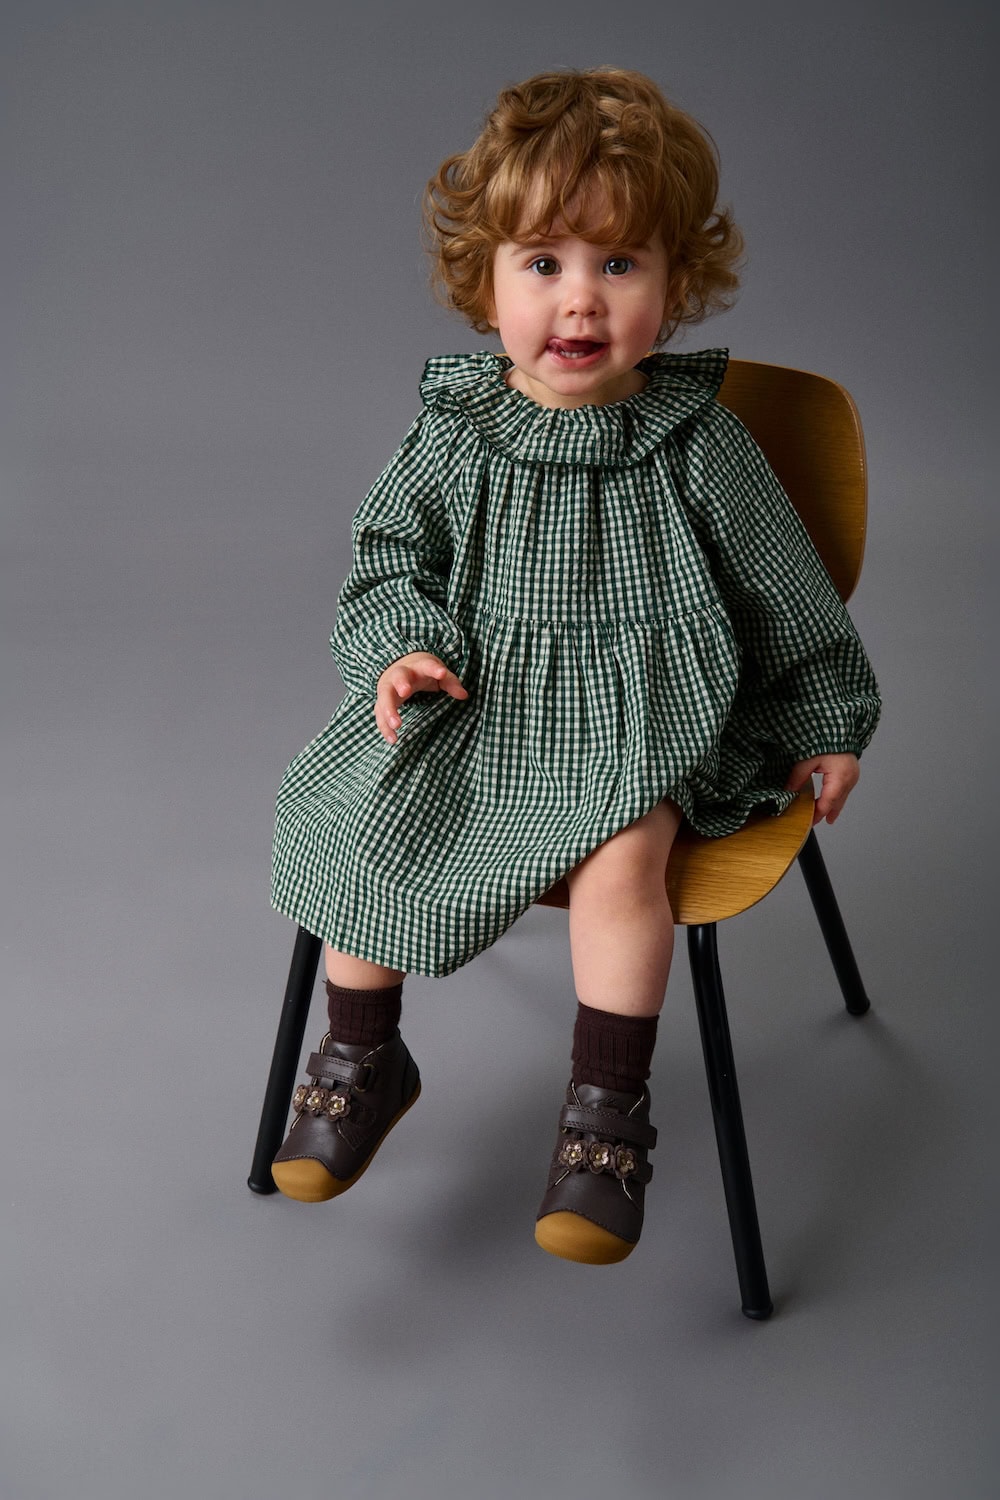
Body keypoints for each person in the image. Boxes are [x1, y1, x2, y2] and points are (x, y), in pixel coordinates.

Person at [268, 67, 881, 1265]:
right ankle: (363, 1055)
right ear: (483, 282)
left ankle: (606, 1114)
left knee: (626, 857)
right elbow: (391, 558)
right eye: (542, 264)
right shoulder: (456, 431)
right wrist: (401, 647)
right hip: (479, 698)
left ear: (674, 284)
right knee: (361, 821)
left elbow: (787, 598)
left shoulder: (699, 443)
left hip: (644, 718)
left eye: (620, 264)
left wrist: (829, 714)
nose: (579, 301)